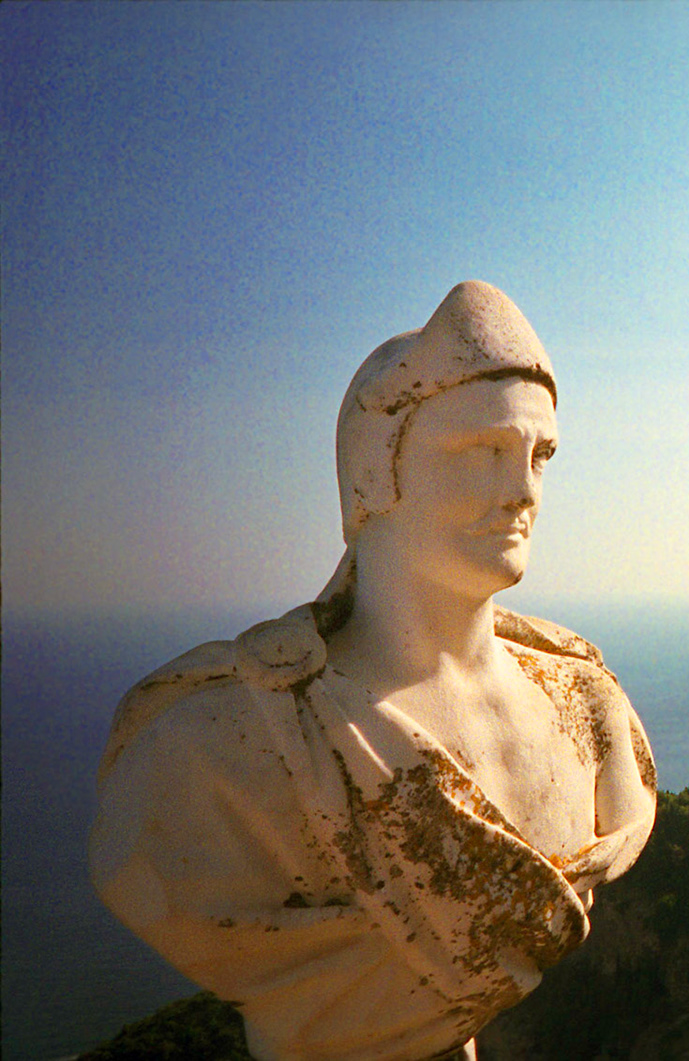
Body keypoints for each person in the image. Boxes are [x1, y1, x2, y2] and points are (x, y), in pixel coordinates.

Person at [90, 282, 657, 1061]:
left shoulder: (588, 709)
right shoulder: (213, 745)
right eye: (481, 450)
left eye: (539, 456)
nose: (522, 489)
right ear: (374, 474)